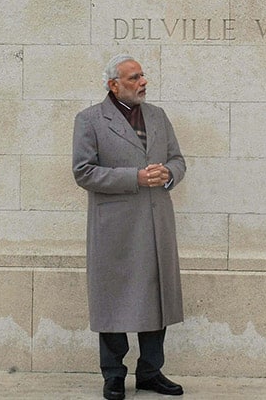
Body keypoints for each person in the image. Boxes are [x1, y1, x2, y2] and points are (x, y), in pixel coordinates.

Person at [72, 54, 187, 400]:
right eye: (134, 77)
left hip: (156, 222)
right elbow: (83, 171)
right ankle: (113, 375)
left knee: (156, 296)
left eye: (143, 75)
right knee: (112, 301)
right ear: (113, 85)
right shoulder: (90, 120)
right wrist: (133, 178)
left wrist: (170, 174)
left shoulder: (157, 116)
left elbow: (177, 160)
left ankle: (151, 372)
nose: (143, 82)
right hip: (115, 227)